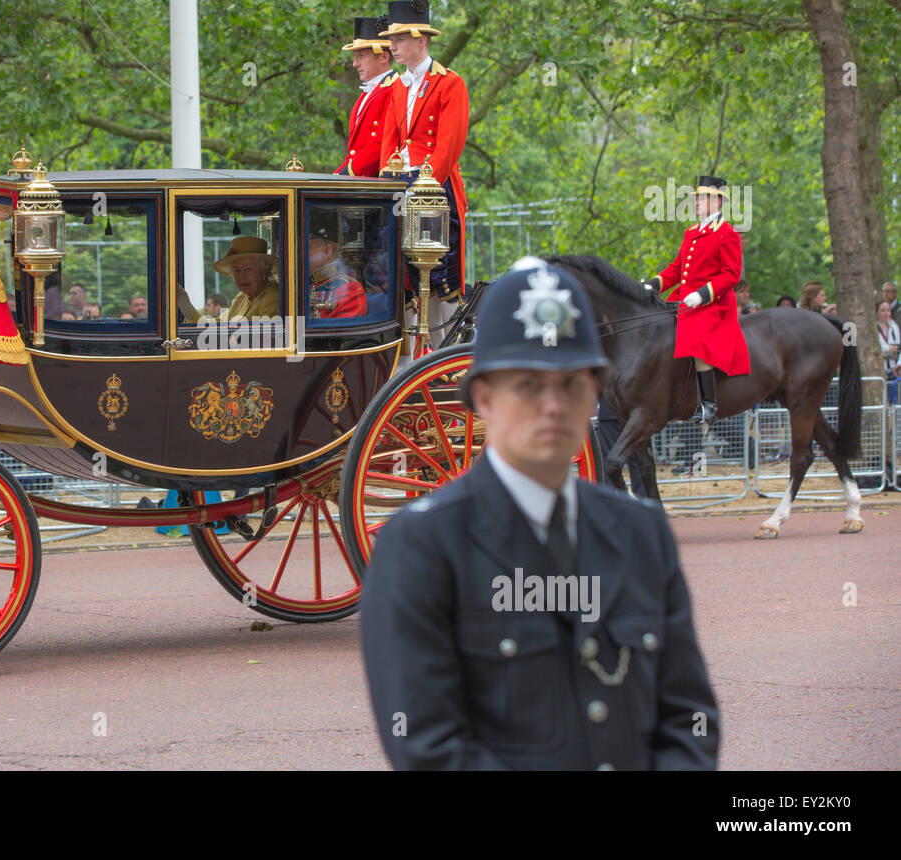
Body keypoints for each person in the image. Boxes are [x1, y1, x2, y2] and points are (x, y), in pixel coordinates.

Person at [361, 258, 720, 770]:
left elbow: (689, 721)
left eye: (572, 383)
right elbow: (428, 747)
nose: (553, 404)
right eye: (528, 384)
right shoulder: (419, 549)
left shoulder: (644, 536)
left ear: (595, 392)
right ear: (483, 396)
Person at [377, 0, 469, 301]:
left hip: (433, 187)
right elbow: (389, 142)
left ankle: (448, 345)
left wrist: (423, 188)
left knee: (441, 277)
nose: (392, 47)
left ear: (421, 40)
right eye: (391, 39)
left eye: (400, 39)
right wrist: (384, 182)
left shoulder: (450, 83)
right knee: (401, 273)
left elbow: (449, 145)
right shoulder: (397, 86)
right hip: (400, 184)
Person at [643, 175, 750, 425]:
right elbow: (677, 269)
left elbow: (731, 275)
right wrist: (654, 285)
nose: (697, 203)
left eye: (702, 198)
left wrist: (703, 294)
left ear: (717, 203)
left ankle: (709, 405)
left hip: (714, 303)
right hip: (685, 299)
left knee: (697, 338)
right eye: (697, 198)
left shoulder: (727, 233)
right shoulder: (691, 232)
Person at [336, 16, 397, 177]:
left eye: (361, 56)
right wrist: (335, 175)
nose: (355, 64)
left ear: (383, 57)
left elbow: (379, 145)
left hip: (379, 182)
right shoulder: (366, 94)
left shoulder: (395, 89)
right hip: (361, 179)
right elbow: (355, 153)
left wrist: (344, 175)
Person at [308, 219, 367, 318]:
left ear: (327, 250)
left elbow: (338, 331)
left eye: (308, 248)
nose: (301, 254)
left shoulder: (350, 290)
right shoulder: (309, 283)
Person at [213, 237, 280, 320]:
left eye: (248, 269)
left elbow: (270, 332)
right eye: (237, 271)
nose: (241, 277)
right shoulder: (242, 297)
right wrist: (191, 312)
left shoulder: (272, 298)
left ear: (264, 271)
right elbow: (221, 323)